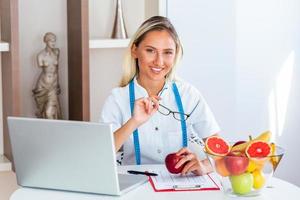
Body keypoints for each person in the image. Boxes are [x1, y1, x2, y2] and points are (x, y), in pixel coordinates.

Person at [100, 16, 220, 175]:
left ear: (175, 54)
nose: (159, 61)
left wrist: (205, 165)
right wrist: (134, 122)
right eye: (150, 51)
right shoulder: (117, 98)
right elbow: (101, 156)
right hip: (132, 186)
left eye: (167, 53)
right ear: (135, 50)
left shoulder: (188, 95)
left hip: (180, 185)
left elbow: (220, 152)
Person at [32, 32, 62, 119]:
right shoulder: (40, 56)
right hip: (42, 86)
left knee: (49, 112)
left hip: (53, 86)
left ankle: (54, 131)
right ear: (46, 41)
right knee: (42, 112)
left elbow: (57, 70)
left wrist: (58, 84)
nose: (53, 43)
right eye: (51, 41)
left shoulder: (57, 52)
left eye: (54, 41)